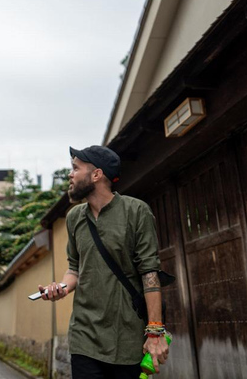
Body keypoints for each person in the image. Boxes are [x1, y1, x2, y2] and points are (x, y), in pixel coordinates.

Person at [38, 146, 169, 379]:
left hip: (127, 336)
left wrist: (155, 332)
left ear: (96, 174)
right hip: (84, 335)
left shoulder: (136, 211)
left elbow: (149, 273)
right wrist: (61, 289)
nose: (70, 174)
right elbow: (75, 269)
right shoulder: (74, 218)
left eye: (75, 168)